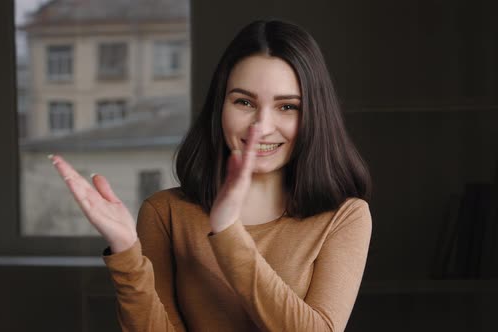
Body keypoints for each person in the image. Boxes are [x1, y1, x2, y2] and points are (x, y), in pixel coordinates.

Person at [50, 19, 373, 332]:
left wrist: (228, 232)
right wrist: (126, 252)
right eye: (244, 102)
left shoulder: (345, 217)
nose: (261, 126)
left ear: (314, 115)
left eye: (287, 107)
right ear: (220, 107)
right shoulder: (165, 213)